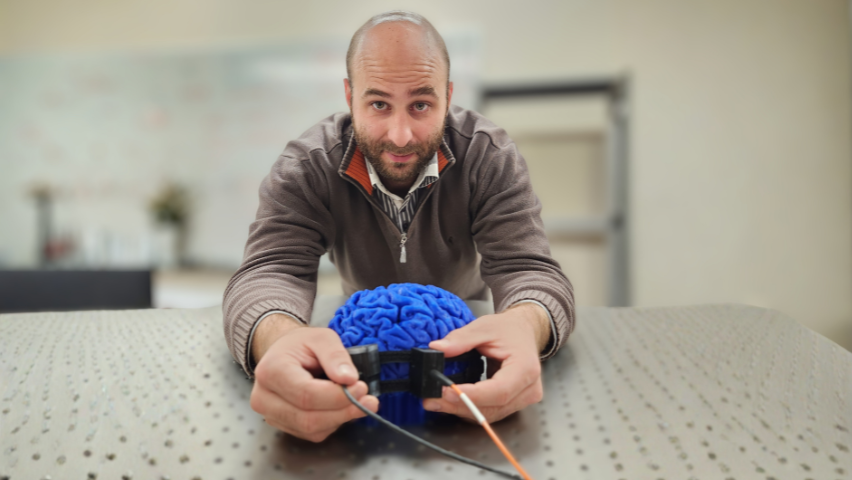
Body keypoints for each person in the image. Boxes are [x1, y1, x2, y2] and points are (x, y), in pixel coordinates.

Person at [223, 10, 574, 443]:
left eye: (421, 105)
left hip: (461, 356)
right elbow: (269, 272)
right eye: (378, 104)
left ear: (448, 96)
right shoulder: (306, 167)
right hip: (359, 365)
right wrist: (277, 339)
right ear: (350, 96)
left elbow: (531, 270)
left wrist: (523, 326)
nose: (402, 134)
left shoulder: (488, 156)